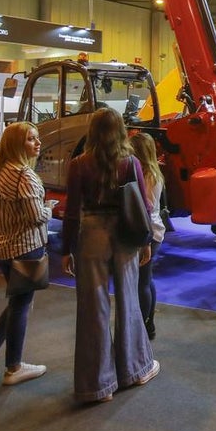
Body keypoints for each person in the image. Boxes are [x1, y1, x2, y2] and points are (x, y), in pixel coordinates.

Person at [61, 108, 159, 403]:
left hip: (91, 234)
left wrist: (66, 249)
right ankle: (135, 370)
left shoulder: (78, 164)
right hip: (125, 235)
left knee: (93, 307)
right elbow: (142, 204)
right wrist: (146, 242)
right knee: (129, 301)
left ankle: (97, 386)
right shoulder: (131, 163)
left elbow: (71, 212)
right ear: (120, 131)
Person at [0, 122, 49, 386]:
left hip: (2, 247)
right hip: (25, 248)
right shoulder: (23, 175)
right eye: (31, 139)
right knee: (21, 306)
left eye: (37, 138)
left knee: (17, 303)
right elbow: (36, 217)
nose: (37, 143)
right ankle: (14, 367)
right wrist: (49, 209)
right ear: (17, 144)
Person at [129, 132, 167, 340]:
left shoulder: (148, 175)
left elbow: (148, 207)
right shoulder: (153, 172)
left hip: (149, 232)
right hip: (153, 230)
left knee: (142, 282)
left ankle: (143, 327)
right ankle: (148, 322)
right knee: (146, 279)